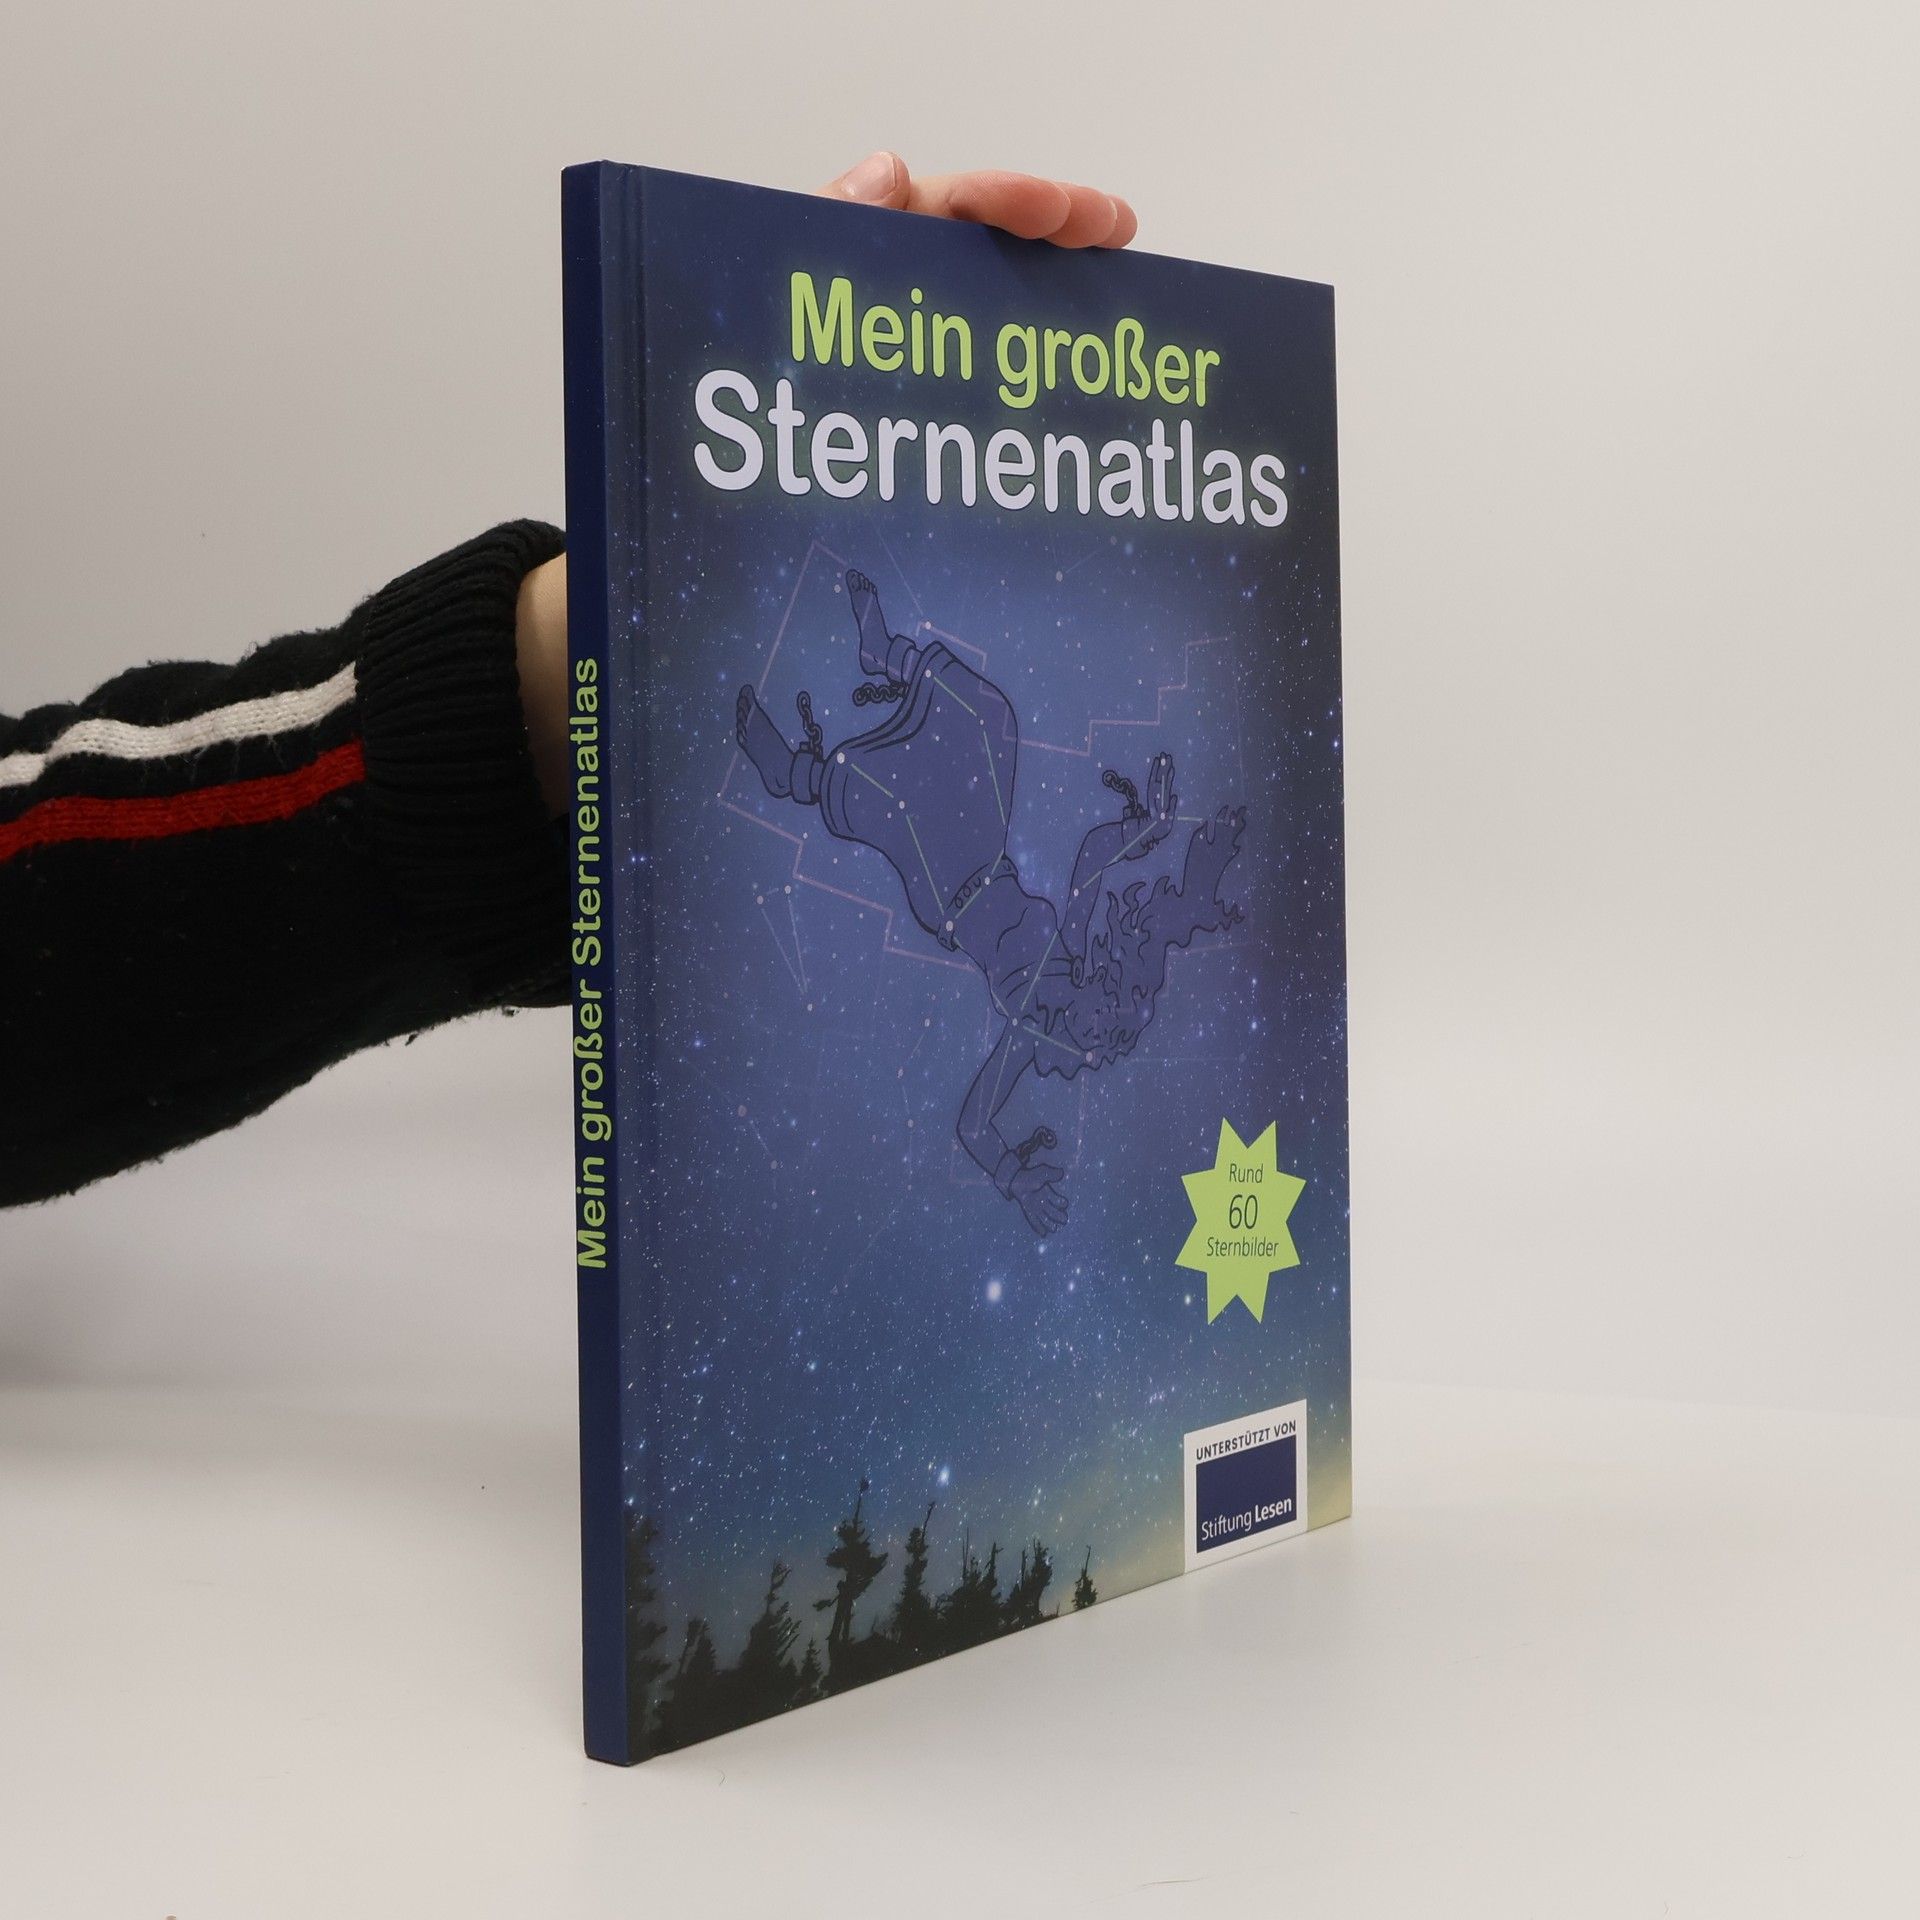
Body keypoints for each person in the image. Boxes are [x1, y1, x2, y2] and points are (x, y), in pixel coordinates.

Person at [0, 157, 1139, 1210]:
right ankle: (862, 669)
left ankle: (791, 733)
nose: (1069, 1026)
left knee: (854, 783)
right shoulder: (1067, 968)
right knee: (961, 718)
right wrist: (1140, 825)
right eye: (1081, 1019)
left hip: (944, 866)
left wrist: (570, 671)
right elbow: (1090, 876)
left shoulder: (1039, 1031)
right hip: (972, 833)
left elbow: (984, 1109)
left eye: (1077, 1028)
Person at [736, 571, 1246, 1236]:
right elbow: (1092, 859)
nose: (1094, 1017)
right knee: (989, 718)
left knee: (891, 799)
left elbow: (973, 1121)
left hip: (944, 891)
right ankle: (884, 654)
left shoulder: (1030, 1029)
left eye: (1097, 1029)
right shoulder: (1067, 954)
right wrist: (1144, 830)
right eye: (1105, 1006)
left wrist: (1013, 1176)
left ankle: (791, 776)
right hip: (986, 847)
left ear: (1086, 1042)